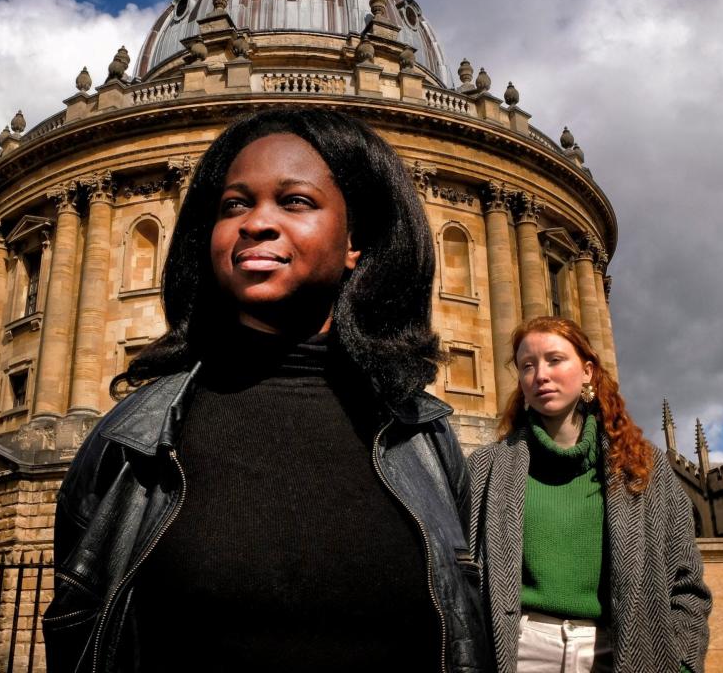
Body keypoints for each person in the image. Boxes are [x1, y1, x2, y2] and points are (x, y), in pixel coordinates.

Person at [43, 107, 492, 673]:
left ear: (357, 242)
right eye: (235, 204)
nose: (256, 222)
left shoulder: (425, 439)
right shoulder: (128, 441)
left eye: (295, 201)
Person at [468, 316, 710, 673]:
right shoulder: (485, 467)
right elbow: (463, 578)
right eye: (527, 365)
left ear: (587, 371)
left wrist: (684, 663)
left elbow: (687, 582)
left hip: (623, 653)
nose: (541, 375)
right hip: (519, 654)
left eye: (554, 360)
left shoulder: (644, 465)